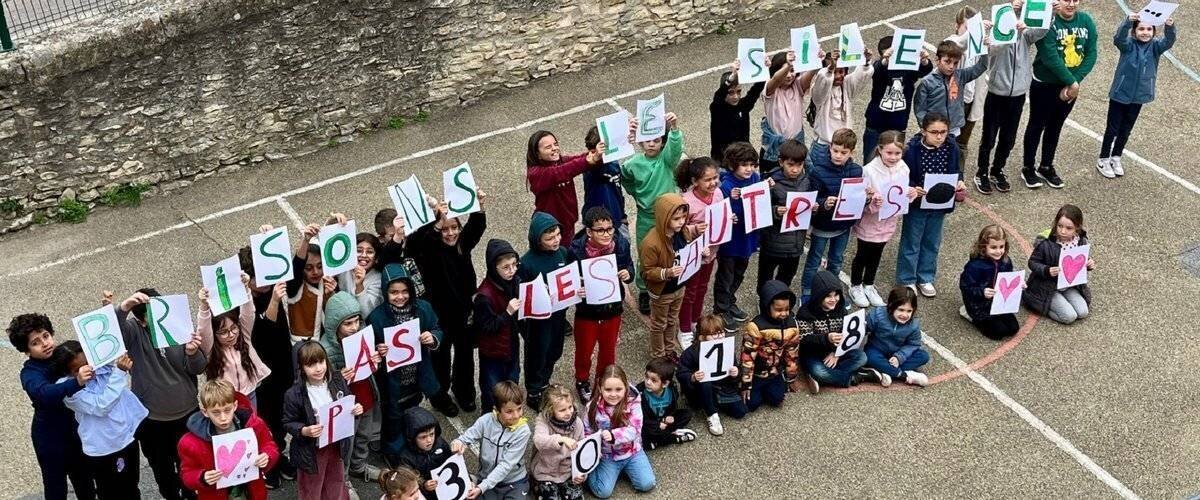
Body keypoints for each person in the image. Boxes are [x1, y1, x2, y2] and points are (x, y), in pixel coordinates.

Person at [112, 290, 206, 500]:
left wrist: (192, 353)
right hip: (152, 420)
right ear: (141, 320)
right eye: (152, 315)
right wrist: (124, 307)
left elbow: (198, 368)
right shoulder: (134, 332)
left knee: (189, 465)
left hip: (187, 414)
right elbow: (114, 334)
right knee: (162, 471)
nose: (161, 317)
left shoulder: (178, 325)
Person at [406, 194, 488, 415]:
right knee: (439, 358)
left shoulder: (463, 244)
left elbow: (476, 227)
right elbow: (416, 244)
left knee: (465, 356)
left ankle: (465, 393)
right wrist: (437, 221)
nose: (451, 233)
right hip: (438, 316)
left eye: (454, 228)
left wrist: (478, 207)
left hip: (463, 315)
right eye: (445, 229)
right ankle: (440, 394)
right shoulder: (429, 250)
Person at [11, 312, 97, 500]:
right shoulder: (29, 373)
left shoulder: (66, 355)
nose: (44, 343)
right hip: (49, 438)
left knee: (86, 484)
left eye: (46, 336)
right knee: (55, 489)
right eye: (35, 342)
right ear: (26, 350)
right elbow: (44, 394)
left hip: (76, 432)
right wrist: (77, 382)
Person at [366, 264, 443, 463]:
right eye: (394, 293)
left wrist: (432, 337)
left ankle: (409, 446)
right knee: (392, 419)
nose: (400, 297)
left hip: (417, 378)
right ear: (385, 292)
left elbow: (437, 327)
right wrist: (378, 350)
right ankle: (393, 453)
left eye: (404, 291)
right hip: (392, 383)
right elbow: (370, 349)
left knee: (412, 414)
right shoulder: (376, 318)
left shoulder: (424, 308)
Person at [238, 245, 299, 488]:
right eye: (258, 277)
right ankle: (266, 466)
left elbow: (296, 266)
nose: (265, 281)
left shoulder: (267, 286)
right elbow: (261, 331)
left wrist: (267, 240)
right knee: (265, 420)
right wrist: (273, 299)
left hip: (282, 363)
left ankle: (277, 455)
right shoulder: (242, 301)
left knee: (282, 416)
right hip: (260, 372)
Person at [1022, 0, 1098, 189]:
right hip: (1045, 84)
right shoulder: (1048, 22)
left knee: (1055, 126)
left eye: (1075, 0)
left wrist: (1075, 81)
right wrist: (1072, 82)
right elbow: (1049, 55)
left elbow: (1091, 53)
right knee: (1036, 125)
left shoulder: (1086, 21)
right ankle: (1028, 167)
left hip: (1070, 86)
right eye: (1066, 0)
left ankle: (1046, 165)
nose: (1071, 4)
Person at [975, 0, 1049, 194]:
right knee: (989, 137)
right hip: (996, 92)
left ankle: (997, 169)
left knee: (1008, 138)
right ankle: (981, 172)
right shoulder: (996, 26)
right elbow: (993, 51)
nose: (1020, 3)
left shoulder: (1025, 31)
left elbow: (1041, 31)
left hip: (1018, 94)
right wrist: (1000, 32)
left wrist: (1050, 14)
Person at [56, 343, 146, 499]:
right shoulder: (68, 390)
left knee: (131, 487)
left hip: (126, 438)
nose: (87, 371)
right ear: (69, 374)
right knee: (110, 492)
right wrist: (120, 372)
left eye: (87, 364)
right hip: (104, 448)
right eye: (78, 369)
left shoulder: (102, 369)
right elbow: (102, 405)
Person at [1097, 13, 1176, 178]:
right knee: (1112, 129)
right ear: (1134, 32)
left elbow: (1169, 41)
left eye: (1149, 29)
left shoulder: (1155, 47)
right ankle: (1104, 158)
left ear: (1154, 32)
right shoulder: (1127, 45)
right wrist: (1127, 22)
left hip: (1139, 96)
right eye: (1141, 29)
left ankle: (1116, 156)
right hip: (1120, 94)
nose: (1145, 32)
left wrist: (1169, 27)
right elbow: (1118, 38)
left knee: (1126, 129)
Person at [282, 341, 364, 500]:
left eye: (321, 362)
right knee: (312, 486)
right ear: (301, 368)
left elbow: (348, 403)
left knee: (336, 480)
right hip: (311, 450)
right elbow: (288, 422)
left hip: (335, 444)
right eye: (311, 365)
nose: (318, 368)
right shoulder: (294, 394)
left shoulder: (337, 380)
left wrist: (356, 409)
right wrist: (304, 430)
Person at [621, 112, 684, 315]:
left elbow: (675, 150)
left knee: (670, 248)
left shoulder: (666, 160)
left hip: (668, 215)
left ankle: (668, 278)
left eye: (656, 140)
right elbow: (627, 180)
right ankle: (644, 289)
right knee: (645, 253)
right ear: (640, 142)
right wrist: (636, 194)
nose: (651, 144)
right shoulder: (632, 164)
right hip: (646, 216)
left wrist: (674, 129)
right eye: (647, 140)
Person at [319, 291, 384, 487]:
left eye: (356, 321)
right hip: (345, 407)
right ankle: (343, 479)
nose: (354, 327)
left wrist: (375, 361)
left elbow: (370, 367)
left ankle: (359, 465)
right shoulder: (325, 350)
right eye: (348, 324)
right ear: (334, 325)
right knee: (345, 444)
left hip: (365, 396)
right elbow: (319, 384)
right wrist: (338, 377)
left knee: (363, 436)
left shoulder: (362, 336)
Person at [569, 207, 635, 400]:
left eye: (609, 229)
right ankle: (582, 380)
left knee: (608, 350)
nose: (606, 234)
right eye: (600, 230)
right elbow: (569, 278)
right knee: (584, 350)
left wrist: (628, 274)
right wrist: (576, 290)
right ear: (589, 231)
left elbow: (629, 265)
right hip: (587, 312)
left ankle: (603, 380)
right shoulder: (576, 250)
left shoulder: (620, 244)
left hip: (612, 309)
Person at [896, 113, 965, 298]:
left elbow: (957, 170)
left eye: (943, 132)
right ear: (923, 131)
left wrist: (959, 181)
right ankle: (907, 278)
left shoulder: (952, 147)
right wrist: (912, 188)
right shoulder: (911, 150)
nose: (940, 136)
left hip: (940, 203)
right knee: (911, 242)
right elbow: (903, 175)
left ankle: (925, 277)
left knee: (932, 242)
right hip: (918, 204)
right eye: (934, 132)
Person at [178, 379, 279, 500]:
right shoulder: (190, 443)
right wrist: (202, 478)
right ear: (205, 412)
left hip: (251, 492)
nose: (223, 418)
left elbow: (269, 445)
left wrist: (267, 456)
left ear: (235, 405)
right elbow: (187, 473)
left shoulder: (254, 425)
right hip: (215, 495)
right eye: (216, 413)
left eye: (227, 410)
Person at [849, 131, 916, 308]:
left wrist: (911, 193)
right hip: (870, 221)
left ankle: (869, 284)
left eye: (897, 153)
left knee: (877, 255)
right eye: (889, 153)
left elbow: (902, 192)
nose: (893, 157)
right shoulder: (869, 171)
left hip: (888, 221)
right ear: (879, 149)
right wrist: (872, 200)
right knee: (862, 255)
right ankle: (855, 285)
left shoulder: (904, 168)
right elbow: (860, 199)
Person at [800, 128, 865, 302]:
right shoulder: (818, 171)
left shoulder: (856, 171)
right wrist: (823, 203)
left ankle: (832, 293)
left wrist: (867, 197)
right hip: (823, 225)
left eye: (843, 152)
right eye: (835, 150)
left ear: (852, 152)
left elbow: (857, 198)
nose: (838, 155)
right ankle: (806, 291)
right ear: (829, 147)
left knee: (836, 260)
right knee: (814, 260)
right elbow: (812, 198)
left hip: (843, 226)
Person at [519, 212, 575, 410]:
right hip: (537, 321)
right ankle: (534, 391)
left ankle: (545, 381)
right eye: (550, 238)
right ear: (537, 239)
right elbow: (522, 295)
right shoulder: (526, 263)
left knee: (554, 350)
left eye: (558, 235)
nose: (556, 240)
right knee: (537, 354)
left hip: (558, 316)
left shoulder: (562, 253)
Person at [640, 193, 702, 360]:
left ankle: (669, 350)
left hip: (679, 287)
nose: (681, 222)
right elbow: (647, 271)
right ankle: (659, 356)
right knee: (659, 324)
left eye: (683, 217)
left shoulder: (682, 232)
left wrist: (700, 252)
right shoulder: (651, 243)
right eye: (676, 218)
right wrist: (666, 272)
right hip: (662, 291)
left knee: (672, 320)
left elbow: (688, 248)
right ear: (664, 217)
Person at [197, 271, 270, 408]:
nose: (231, 335)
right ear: (214, 333)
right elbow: (203, 330)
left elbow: (248, 313)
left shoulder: (244, 336)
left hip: (249, 393)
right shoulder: (211, 348)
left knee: (251, 426)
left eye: (233, 328)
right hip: (225, 401)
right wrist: (204, 306)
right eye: (223, 332)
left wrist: (246, 288)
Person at [796, 270, 877, 392]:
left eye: (836, 295)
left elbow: (846, 335)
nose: (833, 299)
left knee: (861, 357)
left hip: (835, 353)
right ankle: (855, 377)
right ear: (818, 296)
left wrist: (836, 353)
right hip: (812, 354)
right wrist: (826, 338)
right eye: (828, 296)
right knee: (818, 370)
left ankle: (826, 377)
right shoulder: (805, 312)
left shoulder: (841, 310)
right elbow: (803, 339)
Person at [450, 381, 532, 500]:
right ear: (497, 409)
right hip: (486, 478)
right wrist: (457, 443)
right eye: (509, 411)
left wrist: (482, 487)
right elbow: (464, 439)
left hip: (515, 481)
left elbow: (506, 465)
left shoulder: (523, 431)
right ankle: (474, 480)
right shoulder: (485, 421)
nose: (516, 415)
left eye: (519, 409)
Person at [584, 365, 655, 498]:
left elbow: (635, 429)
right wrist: (593, 452)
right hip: (607, 456)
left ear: (626, 387)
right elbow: (587, 431)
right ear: (600, 388)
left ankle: (623, 470)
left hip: (632, 452)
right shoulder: (592, 407)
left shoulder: (634, 402)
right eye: (608, 389)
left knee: (647, 484)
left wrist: (613, 435)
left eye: (618, 389)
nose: (613, 394)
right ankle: (590, 471)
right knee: (602, 492)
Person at [676, 157, 724, 348]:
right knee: (689, 292)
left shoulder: (719, 194)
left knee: (703, 287)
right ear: (695, 181)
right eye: (707, 179)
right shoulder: (686, 202)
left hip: (711, 252)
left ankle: (696, 320)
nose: (713, 183)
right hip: (692, 256)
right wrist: (695, 230)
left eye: (716, 178)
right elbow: (678, 229)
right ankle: (685, 329)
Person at [714, 142, 761, 328]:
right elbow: (721, 213)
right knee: (725, 276)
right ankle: (721, 309)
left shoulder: (755, 178)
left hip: (748, 238)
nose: (749, 169)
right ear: (733, 165)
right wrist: (731, 206)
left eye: (752, 164)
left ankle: (730, 301)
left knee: (739, 274)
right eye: (744, 165)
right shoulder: (726, 186)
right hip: (730, 242)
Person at [863, 36, 932, 162]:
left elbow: (926, 70)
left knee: (893, 161)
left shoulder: (909, 69)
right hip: (876, 123)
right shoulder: (880, 68)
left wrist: (924, 60)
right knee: (870, 160)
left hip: (898, 123)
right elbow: (876, 69)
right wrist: (885, 61)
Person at [473, 239, 522, 414]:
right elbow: (486, 328)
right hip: (492, 353)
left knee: (512, 385)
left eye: (514, 265)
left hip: (510, 347)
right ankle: (489, 418)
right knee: (491, 391)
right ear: (494, 268)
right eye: (506, 267)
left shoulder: (514, 281)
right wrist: (506, 313)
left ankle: (509, 416)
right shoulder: (484, 296)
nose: (512, 271)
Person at [1024, 204, 1095, 324]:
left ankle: (1052, 303)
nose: (1063, 231)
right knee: (1069, 316)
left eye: (1069, 228)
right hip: (1047, 286)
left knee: (1083, 312)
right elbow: (1032, 262)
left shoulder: (1081, 242)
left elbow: (1080, 261)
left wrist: (1089, 264)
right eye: (1060, 226)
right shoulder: (1046, 244)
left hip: (1068, 285)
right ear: (1056, 224)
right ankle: (1037, 303)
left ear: (1077, 228)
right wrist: (1047, 270)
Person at [676, 314, 745, 436]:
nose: (719, 336)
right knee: (705, 380)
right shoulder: (691, 352)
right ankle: (711, 413)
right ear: (702, 337)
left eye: (721, 332)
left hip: (722, 388)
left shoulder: (726, 349)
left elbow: (736, 366)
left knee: (740, 412)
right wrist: (692, 377)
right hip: (700, 389)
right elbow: (681, 372)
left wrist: (736, 372)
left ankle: (714, 403)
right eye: (713, 334)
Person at [739, 280, 802, 411]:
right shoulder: (755, 327)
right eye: (778, 310)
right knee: (751, 405)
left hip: (775, 372)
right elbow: (747, 358)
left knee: (777, 399)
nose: (784, 313)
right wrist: (746, 384)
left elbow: (792, 354)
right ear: (767, 306)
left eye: (787, 309)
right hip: (757, 373)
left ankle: (773, 387)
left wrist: (791, 378)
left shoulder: (792, 325)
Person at [526, 130, 604, 235]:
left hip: (567, 225)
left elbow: (580, 159)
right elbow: (564, 170)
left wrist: (596, 154)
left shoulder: (561, 161)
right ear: (537, 154)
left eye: (555, 144)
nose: (554, 148)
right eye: (548, 147)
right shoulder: (536, 173)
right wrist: (589, 160)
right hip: (549, 229)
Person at [758, 139, 811, 291]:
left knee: (787, 277)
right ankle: (764, 300)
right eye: (791, 165)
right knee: (765, 277)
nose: (795, 169)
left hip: (795, 244)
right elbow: (759, 209)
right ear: (781, 162)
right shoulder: (771, 182)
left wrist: (813, 208)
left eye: (799, 165)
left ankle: (780, 300)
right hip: (773, 243)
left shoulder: (806, 181)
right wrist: (775, 211)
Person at [945, 6, 991, 173]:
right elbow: (957, 45)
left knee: (962, 143)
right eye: (966, 27)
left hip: (972, 100)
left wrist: (987, 47)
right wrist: (973, 32)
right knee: (946, 141)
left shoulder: (979, 44)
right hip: (954, 101)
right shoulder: (951, 42)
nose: (970, 32)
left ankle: (959, 178)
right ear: (957, 26)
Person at [913, 40, 990, 140]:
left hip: (954, 129)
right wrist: (928, 128)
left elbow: (981, 67)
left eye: (955, 63)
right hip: (935, 131)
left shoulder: (960, 75)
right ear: (937, 60)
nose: (951, 66)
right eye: (947, 61)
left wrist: (984, 50)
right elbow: (920, 109)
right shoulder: (927, 82)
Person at [761, 50, 820, 173]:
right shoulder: (770, 90)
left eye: (792, 71)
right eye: (785, 72)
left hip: (796, 146)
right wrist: (788, 65)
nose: (789, 75)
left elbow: (808, 77)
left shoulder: (797, 87)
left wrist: (816, 63)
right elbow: (776, 80)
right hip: (775, 149)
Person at [959, 225, 1021, 339]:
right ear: (983, 247)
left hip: (999, 303)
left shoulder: (1006, 261)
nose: (998, 251)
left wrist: (1018, 285)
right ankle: (968, 313)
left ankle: (993, 317)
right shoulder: (974, 266)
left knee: (1013, 329)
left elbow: (1008, 280)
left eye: (1001, 247)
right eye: (993, 247)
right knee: (997, 333)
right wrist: (982, 292)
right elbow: (965, 287)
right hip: (979, 305)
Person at [863, 287, 931, 387]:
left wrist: (900, 357)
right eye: (901, 310)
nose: (904, 314)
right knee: (868, 356)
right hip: (876, 349)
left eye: (909, 311)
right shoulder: (878, 314)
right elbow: (864, 329)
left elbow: (913, 344)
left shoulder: (913, 325)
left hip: (897, 353)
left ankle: (884, 371)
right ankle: (903, 375)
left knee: (923, 356)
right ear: (891, 306)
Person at [810, 49, 874, 153]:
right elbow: (822, 82)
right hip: (823, 146)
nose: (838, 76)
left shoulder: (847, 85)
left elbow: (861, 76)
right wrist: (830, 69)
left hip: (844, 146)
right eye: (834, 72)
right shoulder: (819, 90)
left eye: (841, 71)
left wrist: (865, 61)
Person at [531, 384, 587, 500]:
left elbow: (583, 452)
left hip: (568, 473)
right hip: (545, 473)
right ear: (550, 410)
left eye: (570, 407)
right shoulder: (543, 421)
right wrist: (561, 439)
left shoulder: (578, 423)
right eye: (562, 410)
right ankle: (536, 484)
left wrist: (581, 474)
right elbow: (538, 440)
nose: (568, 412)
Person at [286, 222, 339, 341]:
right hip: (303, 344)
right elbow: (297, 266)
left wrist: (332, 223)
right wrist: (306, 240)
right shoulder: (294, 287)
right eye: (308, 268)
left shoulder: (328, 282)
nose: (315, 272)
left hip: (326, 338)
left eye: (320, 267)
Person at [710, 61, 766, 159]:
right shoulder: (717, 108)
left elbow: (756, 90)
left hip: (743, 157)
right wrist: (731, 78)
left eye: (739, 92)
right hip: (723, 160)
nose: (736, 96)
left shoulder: (743, 105)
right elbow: (718, 96)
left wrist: (765, 69)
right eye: (731, 93)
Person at [582, 126, 630, 240]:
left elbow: (617, 191)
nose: (597, 155)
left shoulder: (613, 162)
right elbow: (595, 167)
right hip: (597, 226)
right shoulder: (590, 167)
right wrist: (596, 157)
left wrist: (623, 217)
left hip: (617, 220)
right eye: (593, 152)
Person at [637, 357, 696, 449]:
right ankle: (673, 438)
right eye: (646, 377)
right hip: (649, 423)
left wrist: (668, 417)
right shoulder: (640, 393)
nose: (648, 382)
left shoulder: (672, 389)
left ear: (665, 384)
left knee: (687, 414)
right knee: (645, 431)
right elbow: (641, 418)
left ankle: (655, 441)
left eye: (653, 380)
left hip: (664, 420)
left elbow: (672, 408)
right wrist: (658, 424)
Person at [395, 407, 451, 500]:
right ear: (412, 438)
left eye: (432, 434)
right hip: (426, 494)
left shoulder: (440, 443)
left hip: (446, 485)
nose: (429, 440)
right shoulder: (405, 457)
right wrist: (424, 485)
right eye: (423, 437)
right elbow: (408, 482)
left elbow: (453, 462)